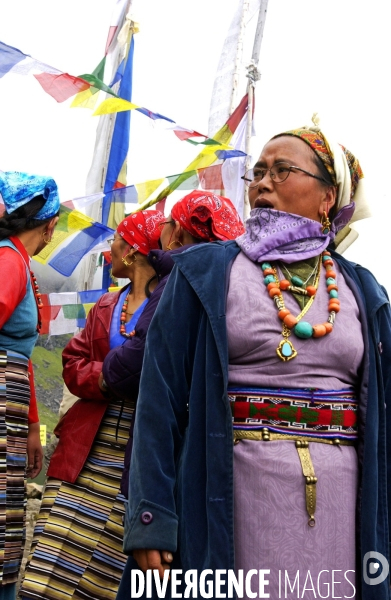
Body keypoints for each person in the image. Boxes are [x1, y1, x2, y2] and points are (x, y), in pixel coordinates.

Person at [118, 124, 390, 600]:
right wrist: (151, 516)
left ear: (328, 196)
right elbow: (159, 401)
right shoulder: (203, 273)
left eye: (282, 170)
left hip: (340, 509)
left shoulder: (363, 293)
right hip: (228, 501)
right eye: (259, 172)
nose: (263, 182)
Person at [18, 209, 166, 600]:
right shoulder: (105, 306)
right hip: (84, 455)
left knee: (101, 580)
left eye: (117, 239)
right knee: (43, 577)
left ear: (133, 251)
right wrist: (109, 379)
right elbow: (71, 363)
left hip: (132, 466)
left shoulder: (169, 309)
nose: (109, 249)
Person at [101, 190, 245, 499]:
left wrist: (105, 369)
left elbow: (134, 364)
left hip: (171, 442)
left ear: (177, 231)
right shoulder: (239, 285)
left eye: (166, 222)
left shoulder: (178, 282)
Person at [0, 171, 60, 600]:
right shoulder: (8, 260)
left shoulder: (19, 262)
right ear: (50, 224)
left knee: (7, 519)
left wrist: (33, 429)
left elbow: (24, 361)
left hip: (14, 407)